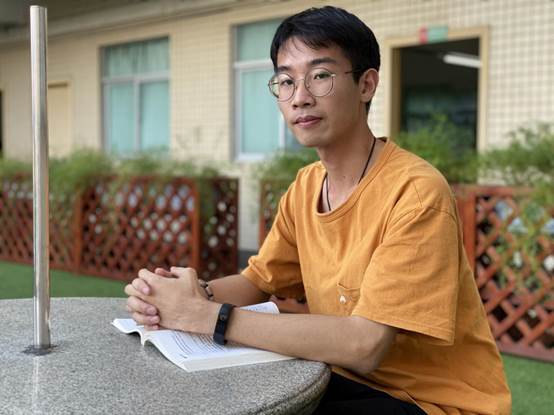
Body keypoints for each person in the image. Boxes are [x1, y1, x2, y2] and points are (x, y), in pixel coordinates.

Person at [125, 6, 511, 414]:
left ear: (366, 85)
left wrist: (208, 316)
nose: (300, 97)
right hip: (339, 377)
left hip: (431, 402)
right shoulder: (306, 186)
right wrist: (177, 296)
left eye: (321, 75)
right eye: (286, 81)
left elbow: (365, 345)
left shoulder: (415, 193)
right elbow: (257, 281)